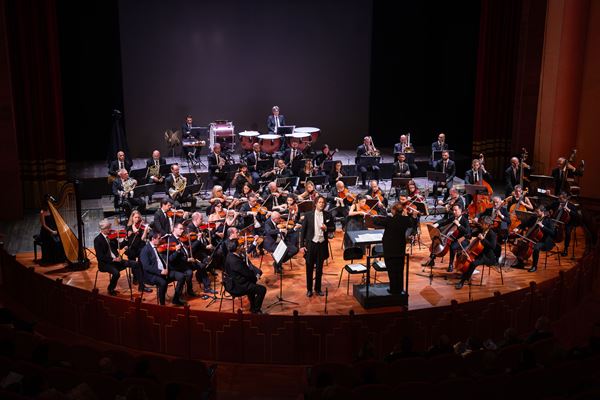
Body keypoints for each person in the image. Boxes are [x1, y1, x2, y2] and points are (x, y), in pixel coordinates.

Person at [372, 201, 414, 294]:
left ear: (394, 210)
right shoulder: (406, 220)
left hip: (390, 248)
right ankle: (399, 289)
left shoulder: (389, 219)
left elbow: (376, 221)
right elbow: (411, 224)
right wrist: (406, 214)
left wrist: (373, 216)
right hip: (400, 248)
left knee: (391, 270)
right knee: (399, 269)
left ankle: (393, 289)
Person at [300, 196, 335, 297]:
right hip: (311, 245)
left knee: (319, 269)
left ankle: (318, 288)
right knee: (309, 268)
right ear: (315, 204)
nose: (321, 204)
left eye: (323, 202)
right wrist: (301, 245)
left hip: (322, 244)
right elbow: (303, 232)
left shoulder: (328, 215)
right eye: (319, 202)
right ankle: (309, 289)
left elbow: (332, 227)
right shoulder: (308, 215)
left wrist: (326, 228)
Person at [139, 232, 187, 305]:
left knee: (181, 276)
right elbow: (146, 267)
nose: (161, 240)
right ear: (153, 239)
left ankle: (176, 299)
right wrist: (160, 271)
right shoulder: (145, 250)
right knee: (163, 282)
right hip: (152, 275)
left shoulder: (157, 247)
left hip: (164, 271)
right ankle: (162, 304)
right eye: (159, 238)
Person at [422, 204, 471, 272]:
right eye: (453, 210)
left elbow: (468, 233)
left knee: (452, 247)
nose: (454, 212)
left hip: (461, 239)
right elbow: (444, 221)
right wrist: (437, 224)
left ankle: (450, 265)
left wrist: (459, 225)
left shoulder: (465, 221)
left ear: (460, 210)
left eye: (455, 210)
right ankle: (431, 260)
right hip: (451, 237)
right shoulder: (454, 217)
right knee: (437, 240)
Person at [93, 219, 136, 296]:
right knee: (116, 273)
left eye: (110, 227)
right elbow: (100, 257)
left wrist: (126, 239)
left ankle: (140, 284)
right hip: (105, 264)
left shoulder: (111, 237)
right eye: (108, 228)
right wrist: (113, 259)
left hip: (116, 261)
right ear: (103, 229)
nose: (110, 230)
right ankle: (110, 289)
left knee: (134, 264)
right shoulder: (98, 240)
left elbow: (119, 247)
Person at [455, 216, 498, 289]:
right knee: (462, 255)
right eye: (482, 223)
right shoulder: (482, 230)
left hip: (488, 256)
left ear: (488, 225)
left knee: (473, 263)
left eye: (483, 224)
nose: (482, 224)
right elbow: (472, 234)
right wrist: (464, 237)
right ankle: (465, 274)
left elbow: (493, 247)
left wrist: (483, 239)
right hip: (480, 253)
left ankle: (462, 281)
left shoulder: (492, 234)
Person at [223, 240, 266, 314]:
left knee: (252, 284)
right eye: (240, 246)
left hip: (234, 281)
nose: (241, 247)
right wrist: (256, 277)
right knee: (262, 290)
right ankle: (256, 310)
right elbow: (247, 273)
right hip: (237, 286)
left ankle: (253, 307)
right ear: (236, 248)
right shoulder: (235, 261)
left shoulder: (229, 255)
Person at [512, 206, 556, 272]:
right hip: (531, 238)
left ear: (542, 212)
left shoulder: (548, 220)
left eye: (537, 212)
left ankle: (534, 266)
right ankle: (520, 263)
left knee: (536, 248)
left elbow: (552, 233)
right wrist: (517, 228)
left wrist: (543, 226)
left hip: (544, 241)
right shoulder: (534, 218)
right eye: (536, 211)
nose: (536, 213)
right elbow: (524, 224)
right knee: (520, 245)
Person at [125, 210, 152, 293]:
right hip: (132, 248)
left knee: (142, 258)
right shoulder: (129, 228)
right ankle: (136, 276)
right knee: (133, 261)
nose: (137, 219)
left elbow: (142, 240)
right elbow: (131, 241)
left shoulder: (142, 227)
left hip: (140, 247)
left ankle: (141, 282)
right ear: (132, 218)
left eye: (138, 217)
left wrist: (145, 231)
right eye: (135, 217)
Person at [548, 191, 578, 256]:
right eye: (559, 199)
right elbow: (548, 207)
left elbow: (576, 216)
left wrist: (568, 210)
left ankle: (566, 248)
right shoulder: (557, 203)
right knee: (547, 226)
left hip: (568, 223)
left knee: (567, 233)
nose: (559, 200)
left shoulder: (571, 206)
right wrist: (549, 212)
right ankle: (549, 243)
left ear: (565, 199)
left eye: (561, 199)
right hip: (557, 221)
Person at [38, 195, 65, 265]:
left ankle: (60, 258)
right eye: (49, 202)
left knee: (62, 239)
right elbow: (44, 225)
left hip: (54, 229)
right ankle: (53, 259)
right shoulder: (42, 212)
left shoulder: (52, 209)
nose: (51, 203)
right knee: (54, 241)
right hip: (46, 231)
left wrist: (57, 230)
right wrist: (52, 231)